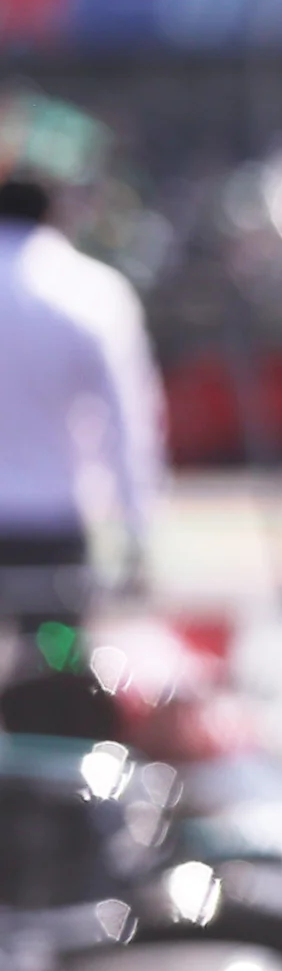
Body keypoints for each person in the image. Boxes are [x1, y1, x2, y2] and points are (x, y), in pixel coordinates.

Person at [0, 136, 162, 615]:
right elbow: (127, 419)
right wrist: (138, 528)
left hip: (50, 517)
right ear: (56, 214)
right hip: (53, 524)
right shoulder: (92, 291)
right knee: (57, 652)